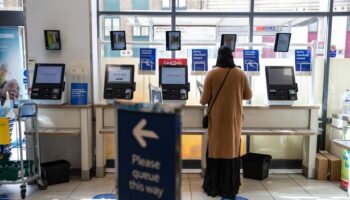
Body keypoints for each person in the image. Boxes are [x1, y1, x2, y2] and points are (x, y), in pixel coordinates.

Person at [200, 46, 252, 199]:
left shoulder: (212, 73)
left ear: (218, 57)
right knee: (231, 150)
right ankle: (230, 187)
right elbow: (248, 95)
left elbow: (203, 100)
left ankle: (213, 186)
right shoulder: (240, 74)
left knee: (216, 150)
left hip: (216, 119)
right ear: (232, 57)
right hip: (233, 121)